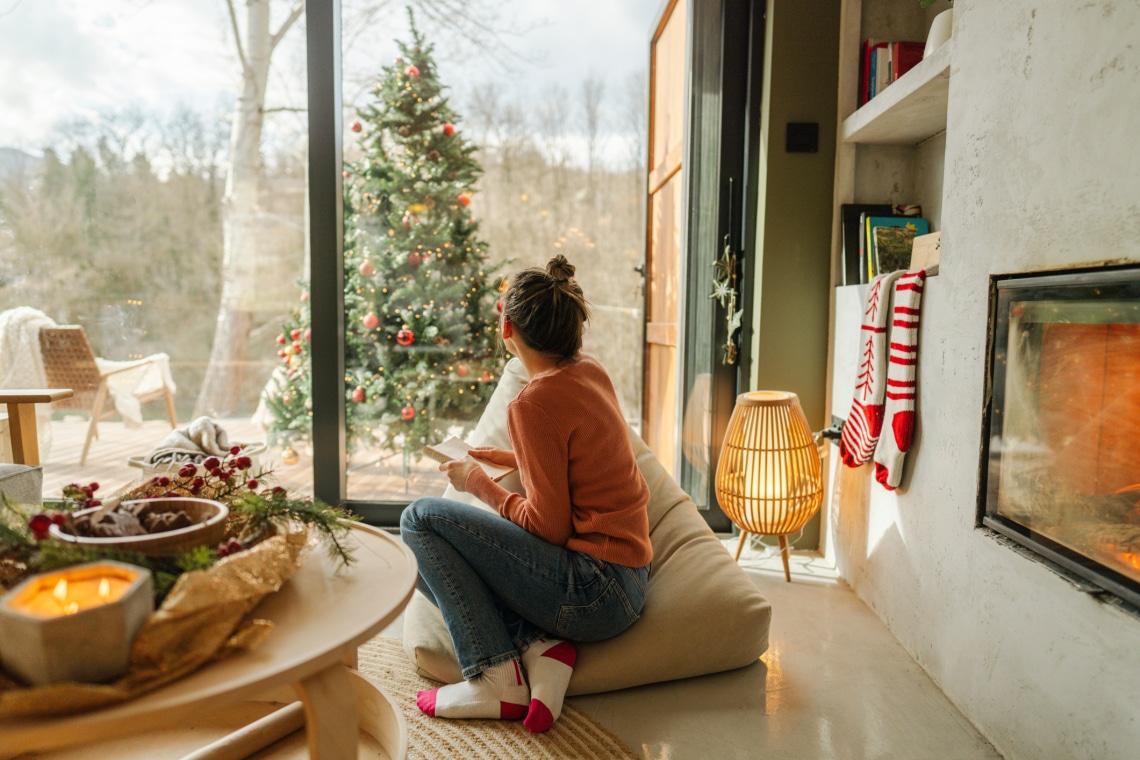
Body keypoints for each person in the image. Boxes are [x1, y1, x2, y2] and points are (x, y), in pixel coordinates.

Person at [400, 255, 652, 733]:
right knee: (445, 543)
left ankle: (494, 672)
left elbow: (548, 527)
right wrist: (518, 460)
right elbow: (589, 463)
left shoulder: (533, 402)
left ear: (506, 326)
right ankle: (541, 648)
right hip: (633, 578)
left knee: (419, 521)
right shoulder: (590, 371)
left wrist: (475, 482)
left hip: (593, 594)